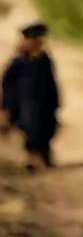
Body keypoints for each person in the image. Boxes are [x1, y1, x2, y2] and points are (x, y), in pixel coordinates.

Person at [2, 23, 60, 170]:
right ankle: (33, 158)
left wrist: (56, 102)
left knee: (46, 130)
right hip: (25, 104)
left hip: (44, 104)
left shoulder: (44, 60)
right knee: (30, 131)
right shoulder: (19, 62)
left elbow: (51, 83)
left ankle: (43, 155)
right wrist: (6, 106)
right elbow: (7, 83)